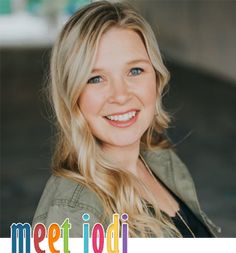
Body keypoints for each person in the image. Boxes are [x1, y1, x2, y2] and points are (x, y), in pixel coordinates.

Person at [32, 0, 221, 237]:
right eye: (96, 78)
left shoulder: (161, 161)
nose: (120, 96)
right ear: (72, 94)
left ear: (156, 76)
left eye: (135, 71)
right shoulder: (75, 212)